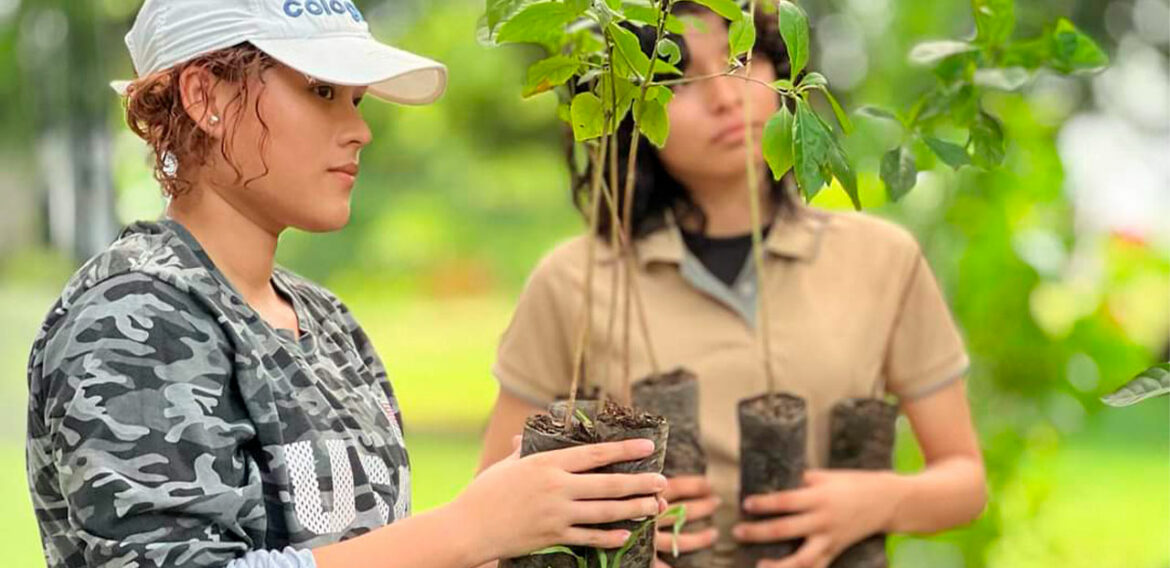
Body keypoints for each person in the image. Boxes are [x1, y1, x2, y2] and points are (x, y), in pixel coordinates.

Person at [25, 1, 668, 567]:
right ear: (206, 98)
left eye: (356, 99)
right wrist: (471, 528)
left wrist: (538, 528)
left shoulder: (326, 320)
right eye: (321, 91)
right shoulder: (133, 315)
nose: (359, 128)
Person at [478, 4, 988, 567]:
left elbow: (964, 484)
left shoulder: (883, 259)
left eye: (741, 58)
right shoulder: (572, 280)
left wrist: (875, 501)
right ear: (630, 107)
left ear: (779, 70)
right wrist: (611, 510)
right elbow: (492, 510)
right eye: (681, 78)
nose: (726, 95)